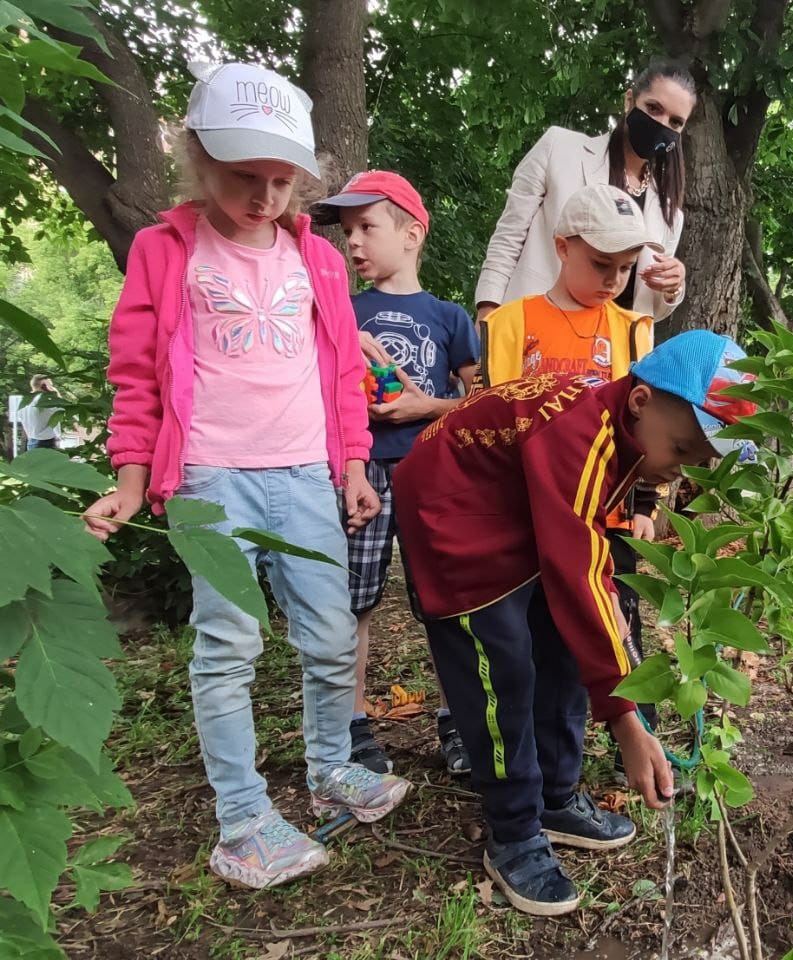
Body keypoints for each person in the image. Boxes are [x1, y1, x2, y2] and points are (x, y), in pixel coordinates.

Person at [81, 61, 409, 890]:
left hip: (305, 474)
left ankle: (332, 764)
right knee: (228, 645)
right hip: (210, 479)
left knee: (333, 637)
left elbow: (340, 376)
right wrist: (129, 480)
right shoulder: (166, 250)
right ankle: (243, 819)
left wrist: (354, 465)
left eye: (280, 181)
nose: (264, 198)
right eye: (243, 178)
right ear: (197, 157)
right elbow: (136, 375)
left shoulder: (319, 263)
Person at [392, 329, 759, 916]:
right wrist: (625, 719)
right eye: (683, 448)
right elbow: (576, 575)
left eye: (698, 461)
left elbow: (586, 551)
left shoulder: (619, 427)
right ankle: (513, 830)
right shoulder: (579, 435)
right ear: (641, 401)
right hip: (452, 512)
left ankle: (555, 796)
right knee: (500, 666)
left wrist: (605, 604)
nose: (677, 472)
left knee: (562, 646)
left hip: (513, 505)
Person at [480, 183, 664, 773]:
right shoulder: (512, 323)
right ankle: (533, 755)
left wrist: (644, 501)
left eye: (625, 268)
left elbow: (642, 424)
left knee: (613, 621)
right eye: (600, 264)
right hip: (534, 514)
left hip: (605, 513)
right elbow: (498, 418)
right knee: (536, 638)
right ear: (562, 247)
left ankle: (631, 734)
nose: (613, 279)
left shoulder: (636, 329)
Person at [309, 171, 480, 776]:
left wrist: (422, 408)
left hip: (430, 472)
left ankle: (457, 719)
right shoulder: (339, 311)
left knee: (444, 600)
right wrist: (345, 337)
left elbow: (481, 400)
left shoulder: (448, 316)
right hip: (359, 473)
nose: (352, 243)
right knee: (354, 601)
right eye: (346, 231)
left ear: (412, 234)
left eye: (366, 227)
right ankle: (354, 724)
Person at [474, 60, 697, 326]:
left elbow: (649, 307)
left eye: (675, 121)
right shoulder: (559, 148)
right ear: (629, 101)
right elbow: (508, 237)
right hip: (531, 330)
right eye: (653, 108)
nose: (661, 124)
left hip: (612, 355)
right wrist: (487, 314)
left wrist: (672, 287)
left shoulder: (668, 212)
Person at [16, 374, 62, 450]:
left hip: (31, 441)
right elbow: (62, 410)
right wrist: (56, 393)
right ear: (44, 386)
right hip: (46, 442)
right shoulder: (46, 400)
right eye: (50, 385)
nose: (52, 387)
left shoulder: (24, 401)